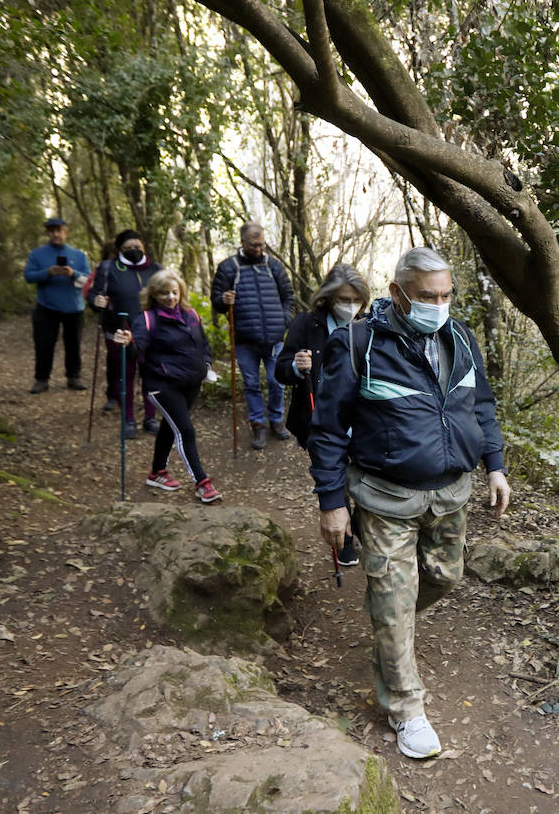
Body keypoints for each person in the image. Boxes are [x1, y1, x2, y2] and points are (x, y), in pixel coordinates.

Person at [309, 247, 511, 759]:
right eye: (427, 296)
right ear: (398, 293)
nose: (438, 305)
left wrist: (495, 464)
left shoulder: (461, 337)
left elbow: (480, 405)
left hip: (450, 493)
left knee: (444, 576)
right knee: (397, 603)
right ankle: (406, 708)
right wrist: (332, 502)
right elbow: (328, 430)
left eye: (445, 295)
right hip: (384, 495)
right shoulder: (357, 343)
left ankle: (388, 616)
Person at [274, 262, 370, 566]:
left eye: (356, 300)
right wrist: (295, 365)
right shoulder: (306, 324)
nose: (350, 306)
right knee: (335, 472)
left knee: (364, 476)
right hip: (317, 418)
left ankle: (362, 526)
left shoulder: (368, 325)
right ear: (329, 298)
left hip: (361, 417)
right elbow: (280, 370)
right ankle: (344, 543)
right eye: (343, 299)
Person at [112, 269, 222, 504]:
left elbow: (203, 344)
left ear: (180, 292)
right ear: (154, 295)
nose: (170, 297)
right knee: (185, 430)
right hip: (162, 384)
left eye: (174, 292)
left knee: (171, 426)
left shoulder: (191, 314)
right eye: (164, 293)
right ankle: (202, 483)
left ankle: (157, 473)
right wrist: (127, 342)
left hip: (191, 381)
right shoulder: (147, 319)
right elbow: (136, 350)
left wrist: (206, 365)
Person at [211, 222, 296, 450]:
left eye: (261, 244)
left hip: (274, 338)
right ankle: (258, 424)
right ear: (242, 242)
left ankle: (276, 421)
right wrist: (223, 300)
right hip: (244, 339)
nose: (258, 248)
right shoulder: (229, 268)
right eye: (253, 245)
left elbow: (289, 296)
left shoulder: (274, 267)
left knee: (276, 381)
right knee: (251, 384)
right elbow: (216, 300)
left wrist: (283, 321)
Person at [90, 230, 163, 439]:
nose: (134, 251)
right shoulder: (109, 268)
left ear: (144, 248)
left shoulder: (155, 269)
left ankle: (150, 418)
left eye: (137, 247)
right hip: (119, 329)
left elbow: (168, 292)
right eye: (128, 248)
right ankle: (128, 420)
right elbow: (95, 294)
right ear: (120, 249)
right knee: (125, 375)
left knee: (150, 375)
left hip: (151, 331)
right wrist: (96, 302)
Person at [22, 216, 90, 394]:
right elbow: (29, 276)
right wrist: (48, 272)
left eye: (58, 230)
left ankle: (73, 377)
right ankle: (41, 379)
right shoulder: (37, 254)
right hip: (46, 307)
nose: (55, 234)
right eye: (51, 231)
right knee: (44, 344)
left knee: (73, 344)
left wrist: (72, 273)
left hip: (73, 308)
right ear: (47, 233)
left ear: (66, 233)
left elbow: (88, 281)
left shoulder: (79, 255)